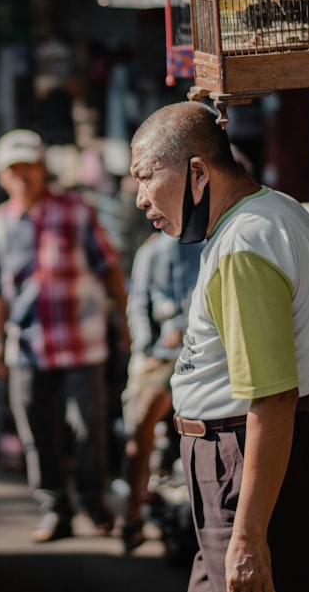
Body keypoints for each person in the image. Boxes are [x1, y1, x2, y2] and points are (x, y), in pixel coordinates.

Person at [128, 101, 309, 592]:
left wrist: (248, 537)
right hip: (261, 461)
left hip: (250, 465)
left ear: (198, 173)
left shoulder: (246, 242)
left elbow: (272, 397)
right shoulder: (272, 212)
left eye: (146, 176)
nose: (141, 198)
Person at [0, 128, 131, 543]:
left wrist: (127, 323)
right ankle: (54, 508)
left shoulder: (76, 210)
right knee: (37, 435)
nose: (21, 175)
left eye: (28, 166)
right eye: (13, 169)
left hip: (82, 341)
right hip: (26, 348)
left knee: (86, 428)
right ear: (2, 176)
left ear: (42, 169)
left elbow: (109, 267)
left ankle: (93, 504)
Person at [121, 231, 202, 554]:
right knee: (139, 419)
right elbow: (138, 305)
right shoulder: (151, 253)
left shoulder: (212, 243)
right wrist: (146, 346)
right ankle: (132, 511)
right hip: (161, 353)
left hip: (200, 353)